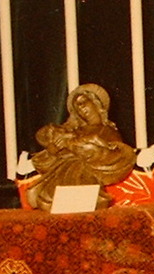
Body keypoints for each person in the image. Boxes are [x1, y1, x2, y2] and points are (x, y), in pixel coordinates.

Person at [29, 83, 137, 211]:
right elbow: (45, 140)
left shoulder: (107, 131)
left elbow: (114, 155)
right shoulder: (74, 131)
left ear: (96, 103)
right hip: (60, 180)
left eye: (83, 102)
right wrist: (53, 150)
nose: (80, 108)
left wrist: (74, 145)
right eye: (76, 107)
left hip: (85, 180)